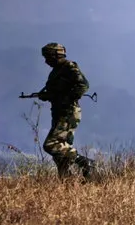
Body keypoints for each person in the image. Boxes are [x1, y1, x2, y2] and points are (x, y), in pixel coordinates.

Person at [37, 43, 94, 179]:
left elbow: (83, 85)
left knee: (51, 144)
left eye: (48, 57)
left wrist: (66, 98)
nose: (46, 61)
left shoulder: (69, 67)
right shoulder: (56, 71)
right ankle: (67, 183)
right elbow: (55, 91)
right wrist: (48, 96)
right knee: (61, 154)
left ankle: (85, 162)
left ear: (55, 55)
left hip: (68, 113)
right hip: (59, 113)